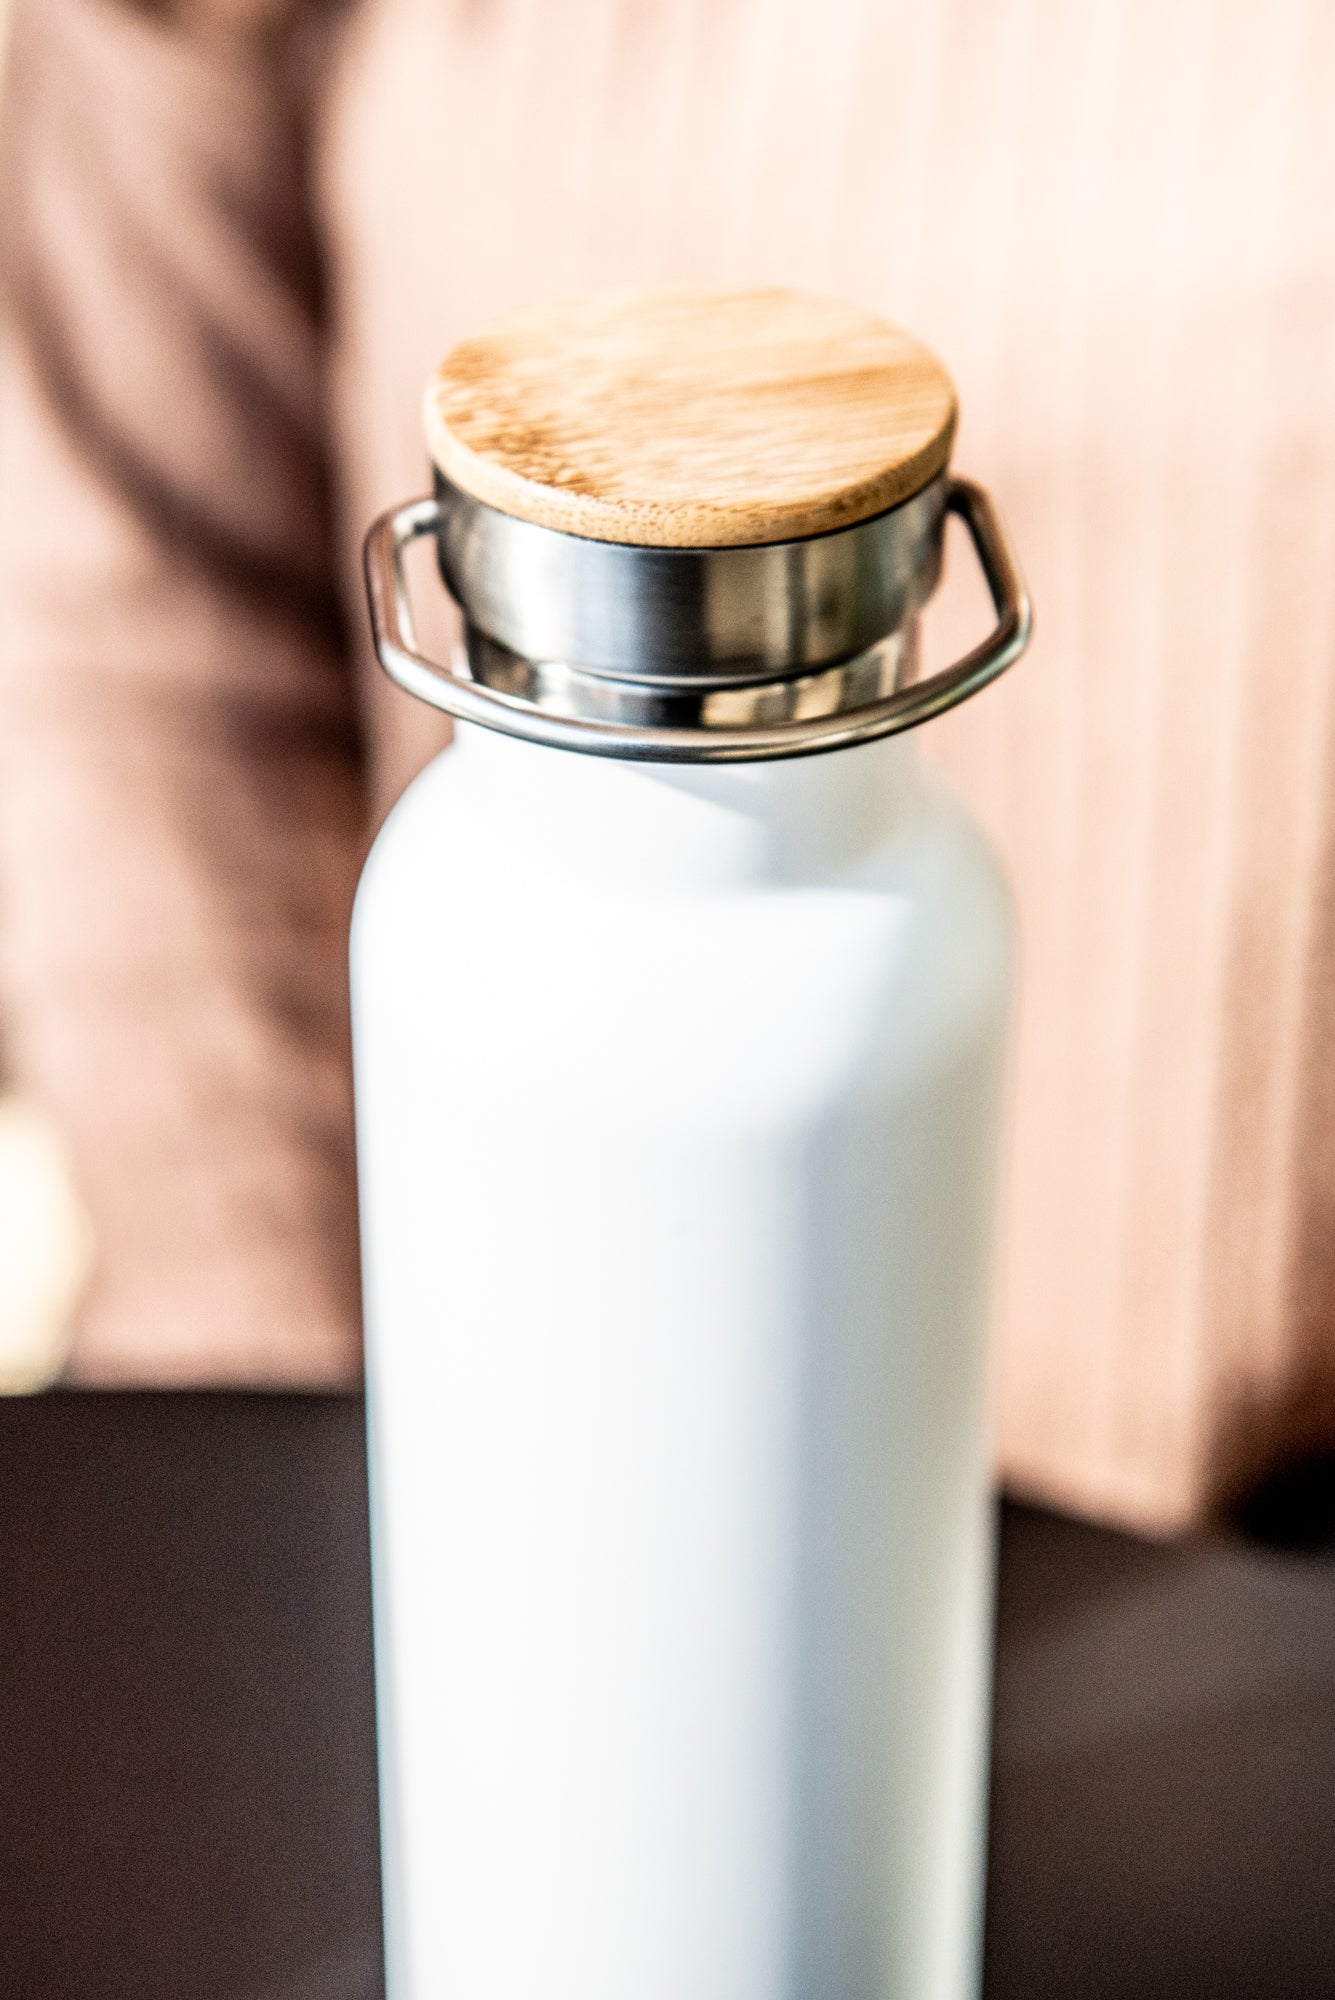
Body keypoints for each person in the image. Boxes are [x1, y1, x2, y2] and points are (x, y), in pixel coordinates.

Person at [3, 0, 1334, 1530]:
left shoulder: (927, 909)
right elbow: (137, 591)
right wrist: (292, 1468)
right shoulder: (451, 905)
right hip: (390, 1444)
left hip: (1265, 1531)